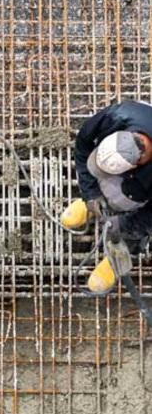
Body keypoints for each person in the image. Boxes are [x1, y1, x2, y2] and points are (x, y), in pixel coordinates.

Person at [61, 100, 152, 293]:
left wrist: (123, 227)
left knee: (132, 226)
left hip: (143, 192)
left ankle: (118, 255)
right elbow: (83, 145)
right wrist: (90, 194)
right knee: (100, 183)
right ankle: (91, 204)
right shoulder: (119, 116)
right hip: (128, 175)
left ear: (135, 165)